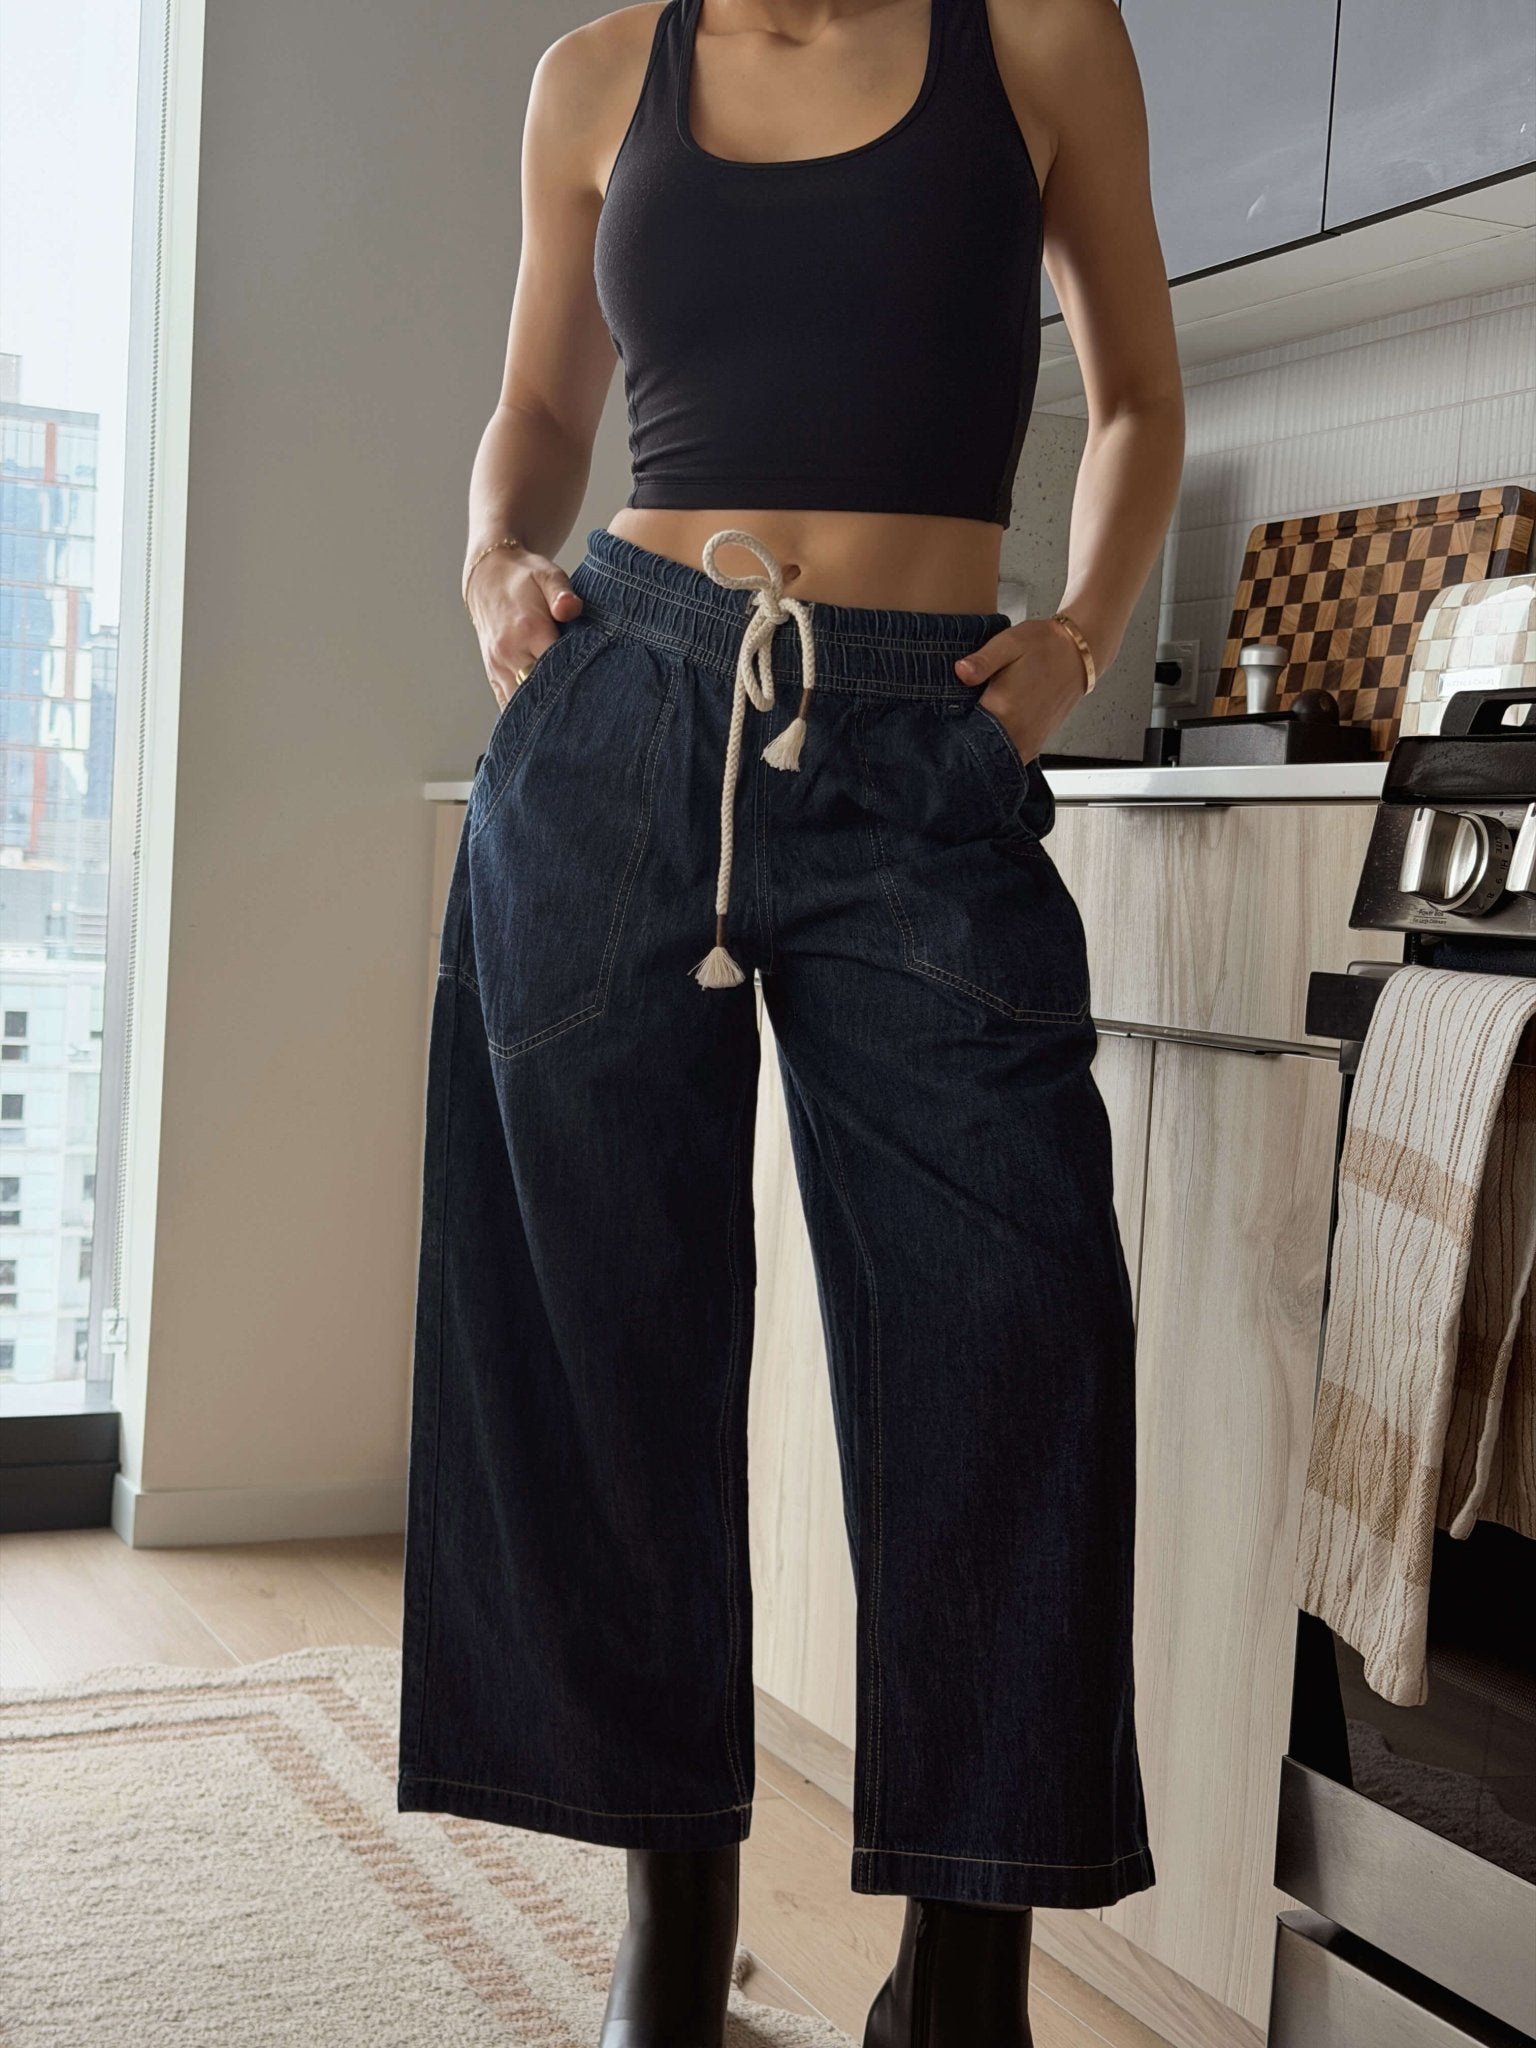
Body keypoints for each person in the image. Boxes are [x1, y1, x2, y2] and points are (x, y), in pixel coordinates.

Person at [395, 0, 1184, 2041]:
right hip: (619, 721)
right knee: (608, 1340)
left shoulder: (1036, 34)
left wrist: (1080, 638)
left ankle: (963, 1978)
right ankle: (671, 1933)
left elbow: (1134, 404)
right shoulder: (590, 79)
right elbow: (539, 414)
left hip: (925, 744)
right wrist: (490, 552)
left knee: (1018, 1328)